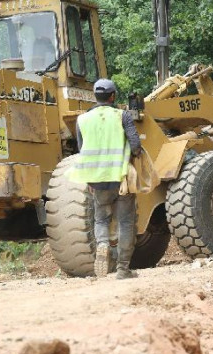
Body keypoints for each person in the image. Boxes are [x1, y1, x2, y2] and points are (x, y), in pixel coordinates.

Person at [68, 79, 142, 280]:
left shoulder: (82, 119)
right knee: (126, 222)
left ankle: (102, 244)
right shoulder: (122, 116)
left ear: (95, 96)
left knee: (101, 218)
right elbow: (135, 145)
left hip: (97, 181)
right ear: (113, 96)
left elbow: (83, 150)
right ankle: (123, 269)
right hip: (121, 179)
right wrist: (137, 154)